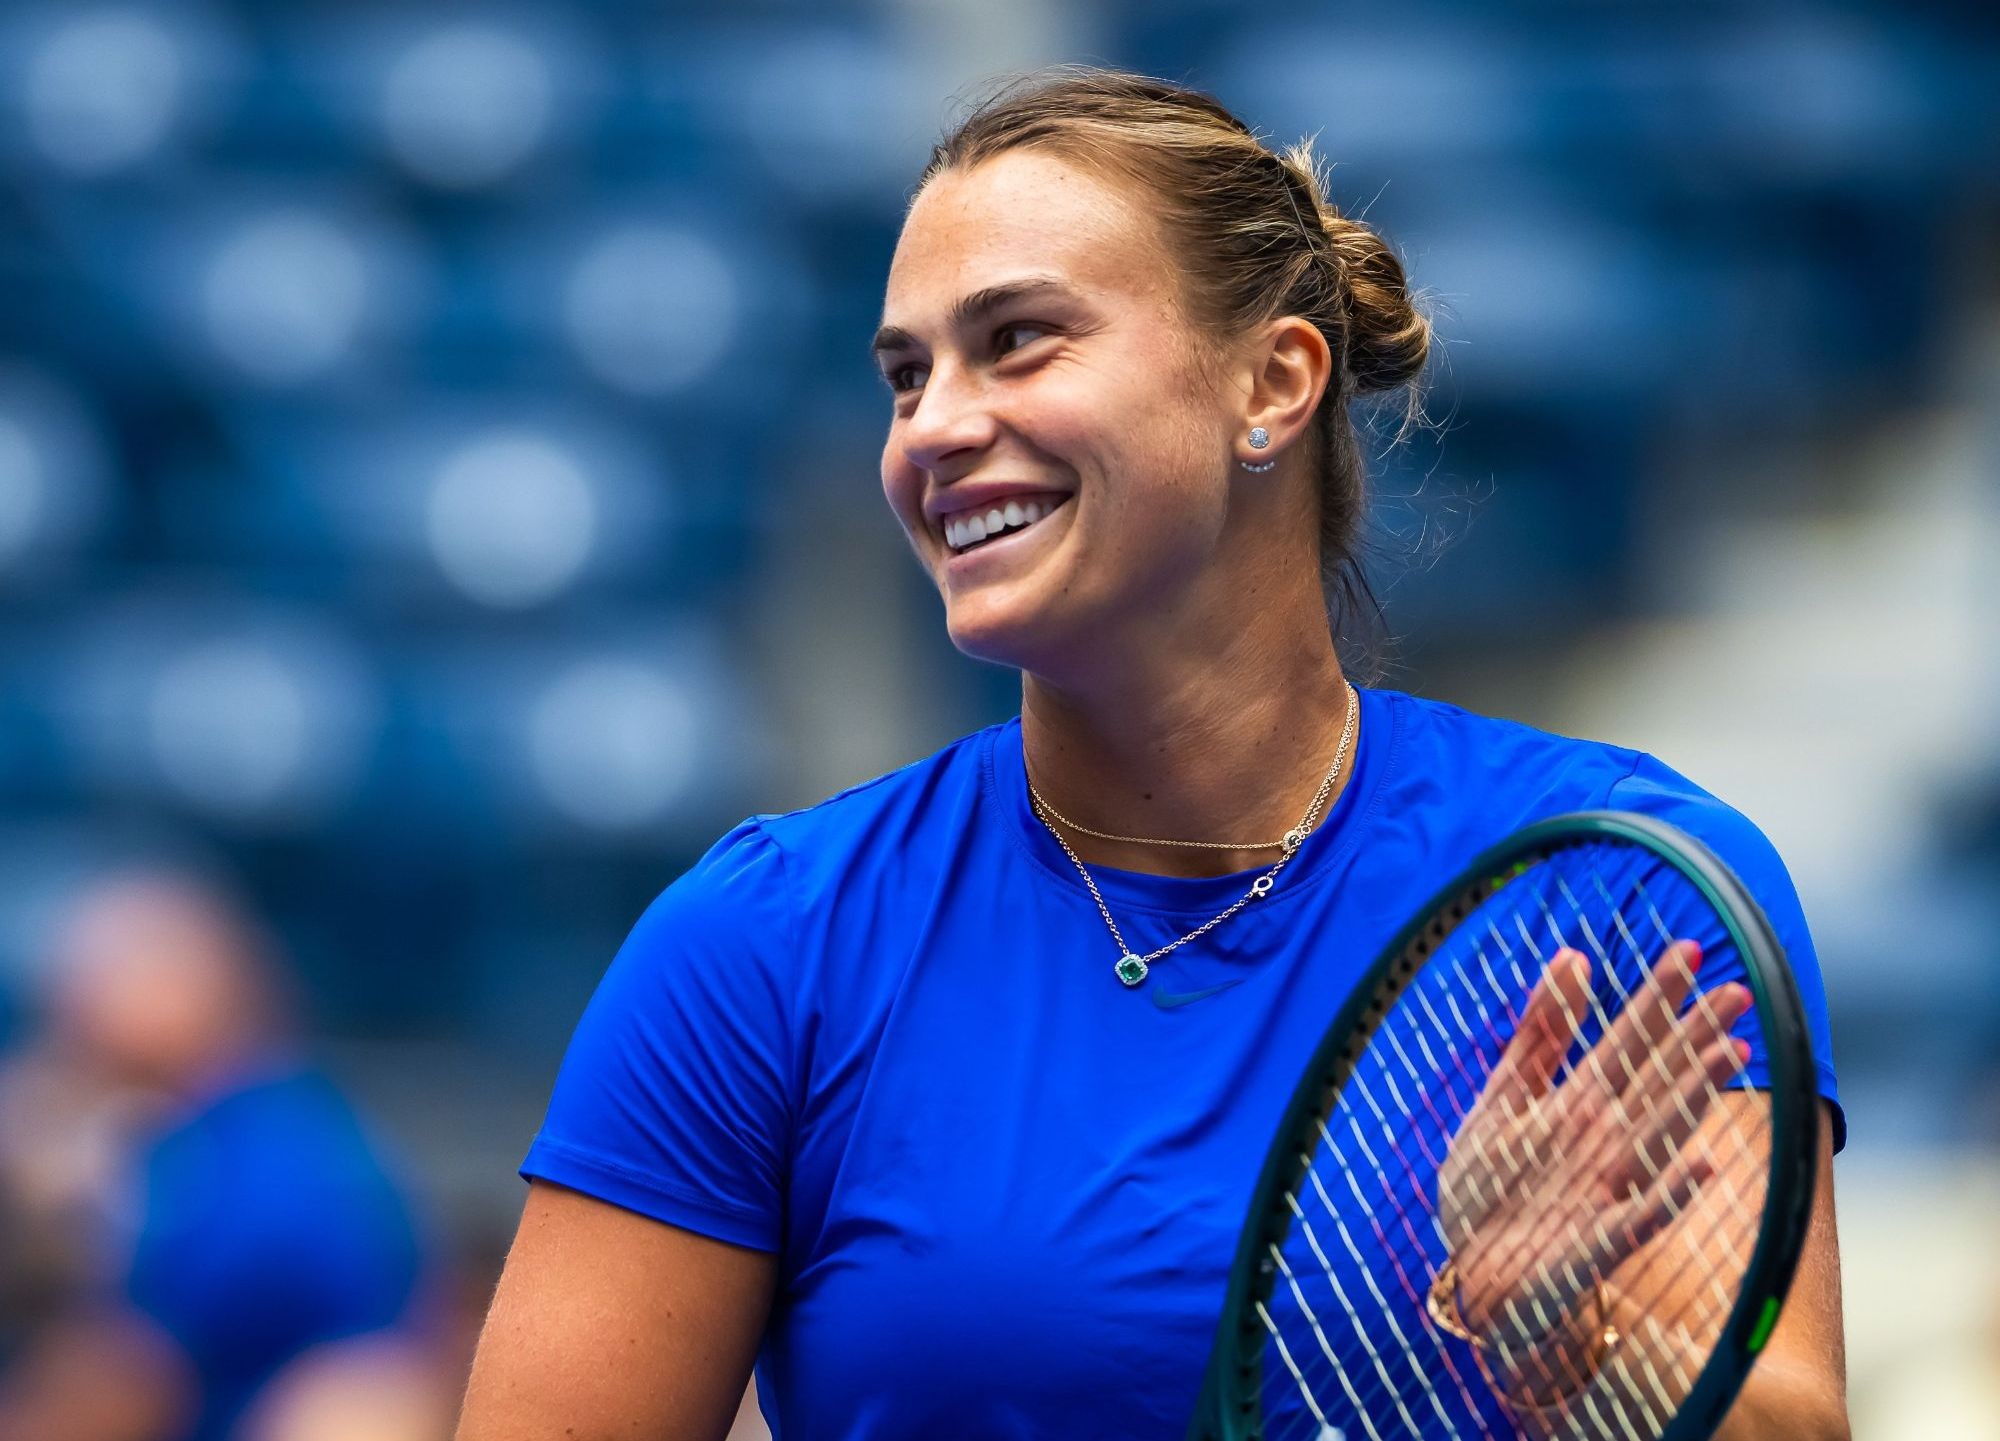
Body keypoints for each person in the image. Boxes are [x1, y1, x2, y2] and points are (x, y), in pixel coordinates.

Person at [457, 68, 1849, 1440]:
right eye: (905, 375)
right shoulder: (762, 944)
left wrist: (1574, 1342)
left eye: (1017, 340)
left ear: (1273, 381)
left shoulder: (1617, 885)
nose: (933, 427)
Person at [0, 870, 432, 1441]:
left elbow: (110, 1390)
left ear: (182, 985)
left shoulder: (258, 1160)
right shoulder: (256, 1118)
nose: (68, 1014)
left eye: (96, 980)